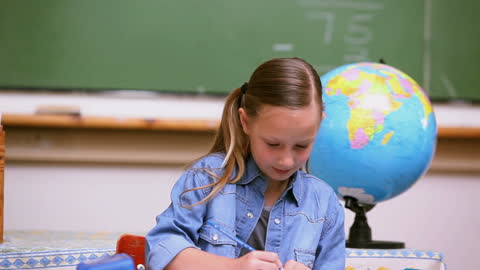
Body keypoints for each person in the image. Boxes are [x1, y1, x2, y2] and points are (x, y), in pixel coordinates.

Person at [146, 57, 345, 270]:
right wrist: (234, 267)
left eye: (301, 146)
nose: (286, 160)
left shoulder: (325, 204)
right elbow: (160, 249)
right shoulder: (207, 178)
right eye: (273, 143)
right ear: (245, 122)